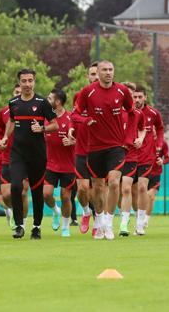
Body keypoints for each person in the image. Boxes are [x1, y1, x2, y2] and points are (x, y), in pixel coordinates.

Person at [72, 60, 135, 241]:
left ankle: (108, 222)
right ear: (97, 73)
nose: (108, 73)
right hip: (94, 147)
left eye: (111, 70)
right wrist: (85, 121)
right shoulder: (87, 92)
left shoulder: (122, 91)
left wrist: (129, 138)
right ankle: (98, 221)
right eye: (104, 70)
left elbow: (132, 113)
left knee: (114, 183)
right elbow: (75, 114)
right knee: (98, 187)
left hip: (116, 146)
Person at [0, 69, 58, 239]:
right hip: (18, 154)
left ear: (34, 82)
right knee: (16, 187)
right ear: (19, 82)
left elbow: (55, 125)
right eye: (24, 81)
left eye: (30, 80)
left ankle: (36, 227)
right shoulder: (13, 103)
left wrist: (43, 128)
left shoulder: (42, 103)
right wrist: (4, 138)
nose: (27, 84)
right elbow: (11, 121)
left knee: (36, 191)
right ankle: (19, 226)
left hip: (37, 154)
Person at [70, 62, 100, 235]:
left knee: (98, 188)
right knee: (82, 189)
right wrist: (73, 128)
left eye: (98, 73)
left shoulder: (109, 97)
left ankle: (98, 221)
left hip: (100, 150)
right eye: (92, 74)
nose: (95, 77)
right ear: (88, 76)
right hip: (81, 149)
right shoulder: (79, 95)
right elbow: (74, 117)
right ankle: (86, 212)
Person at [43, 88, 76, 237]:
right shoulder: (45, 118)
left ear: (57, 102)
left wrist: (72, 142)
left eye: (49, 98)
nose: (46, 100)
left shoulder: (70, 119)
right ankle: (56, 210)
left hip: (68, 166)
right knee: (46, 194)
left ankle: (65, 226)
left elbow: (79, 140)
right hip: (50, 164)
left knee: (65, 196)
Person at [131, 87, 163, 236]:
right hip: (130, 156)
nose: (137, 100)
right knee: (131, 191)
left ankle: (140, 224)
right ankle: (137, 216)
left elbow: (161, 129)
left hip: (147, 157)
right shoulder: (128, 113)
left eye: (139, 97)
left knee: (143, 188)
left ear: (145, 97)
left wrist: (159, 146)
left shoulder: (153, 113)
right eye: (135, 97)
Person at [0, 84, 28, 230]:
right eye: (16, 92)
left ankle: (23, 223)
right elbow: (0, 131)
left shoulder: (33, 109)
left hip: (25, 157)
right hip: (7, 157)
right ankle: (13, 211)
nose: (18, 94)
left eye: (20, 92)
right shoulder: (4, 112)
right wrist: (2, 140)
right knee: (5, 196)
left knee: (22, 193)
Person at [117, 82, 146, 237]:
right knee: (114, 189)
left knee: (127, 188)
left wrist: (140, 138)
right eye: (127, 94)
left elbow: (142, 129)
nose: (131, 98)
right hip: (114, 154)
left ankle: (123, 224)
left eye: (132, 95)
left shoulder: (138, 114)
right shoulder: (113, 111)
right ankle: (112, 218)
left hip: (131, 154)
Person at [146, 140, 169, 228]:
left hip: (156, 174)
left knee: (151, 197)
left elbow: (168, 159)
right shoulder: (143, 140)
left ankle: (146, 220)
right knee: (143, 197)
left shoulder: (163, 143)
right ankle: (140, 218)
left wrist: (162, 161)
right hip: (143, 172)